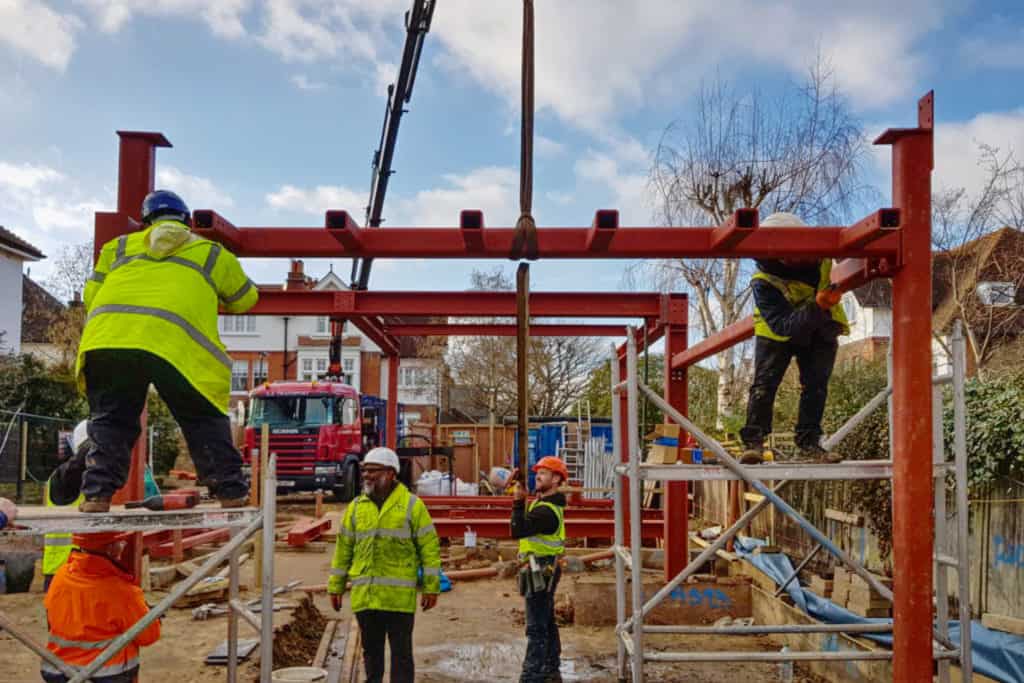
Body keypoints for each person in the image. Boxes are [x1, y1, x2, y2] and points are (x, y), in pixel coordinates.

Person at [74, 190, 258, 512]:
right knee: (201, 416)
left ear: (145, 223)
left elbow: (92, 295)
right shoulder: (211, 252)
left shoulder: (117, 247)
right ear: (187, 222)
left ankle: (97, 496)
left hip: (107, 339)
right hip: (172, 346)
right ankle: (230, 492)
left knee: (111, 421)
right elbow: (245, 299)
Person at [739, 212, 849, 465]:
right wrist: (817, 306)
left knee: (816, 385)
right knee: (765, 384)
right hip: (777, 331)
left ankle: (809, 444)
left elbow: (850, 253)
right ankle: (754, 443)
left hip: (820, 326)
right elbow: (783, 325)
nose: (793, 257)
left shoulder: (821, 259)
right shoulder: (763, 281)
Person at [328, 447, 441, 683]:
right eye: (365, 470)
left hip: (398, 599)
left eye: (373, 471)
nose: (366, 475)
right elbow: (343, 549)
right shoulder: (356, 508)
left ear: (391, 474)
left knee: (401, 657)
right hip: (366, 597)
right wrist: (335, 586)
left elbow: (429, 548)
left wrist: (432, 586)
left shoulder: (412, 506)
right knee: (372, 657)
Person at [42, 531, 161, 682]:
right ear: (111, 548)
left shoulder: (62, 576)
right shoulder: (122, 590)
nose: (123, 547)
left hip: (57, 670)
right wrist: (152, 616)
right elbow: (148, 637)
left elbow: (51, 620)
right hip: (107, 674)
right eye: (121, 543)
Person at [511, 456, 568, 683]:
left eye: (543, 473)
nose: (538, 476)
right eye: (538, 472)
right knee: (546, 619)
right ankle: (550, 667)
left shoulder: (547, 511)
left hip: (541, 568)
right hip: (543, 566)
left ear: (556, 480)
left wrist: (517, 502)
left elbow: (517, 529)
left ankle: (532, 675)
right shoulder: (545, 504)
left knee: (536, 626)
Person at [41, 422, 88, 591]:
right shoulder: (64, 478)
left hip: (82, 571)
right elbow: (78, 464)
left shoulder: (94, 478)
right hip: (61, 573)